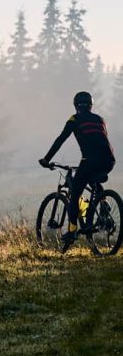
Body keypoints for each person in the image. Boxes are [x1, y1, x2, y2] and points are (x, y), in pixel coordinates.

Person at [39, 91, 116, 249]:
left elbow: (60, 140)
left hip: (90, 161)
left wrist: (46, 159)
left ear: (75, 106)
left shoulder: (74, 119)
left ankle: (72, 231)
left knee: (75, 195)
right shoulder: (99, 119)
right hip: (109, 160)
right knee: (92, 178)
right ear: (90, 105)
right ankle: (102, 203)